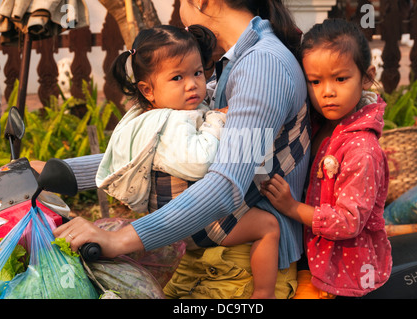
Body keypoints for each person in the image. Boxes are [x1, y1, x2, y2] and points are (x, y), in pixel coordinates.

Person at [53, 0, 310, 299]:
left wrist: (120, 240)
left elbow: (227, 183)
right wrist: (60, 172)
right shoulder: (233, 62)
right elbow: (159, 151)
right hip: (204, 260)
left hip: (240, 272)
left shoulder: (263, 67)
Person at [96, 24, 281, 299]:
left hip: (180, 223)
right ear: (148, 90)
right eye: (177, 78)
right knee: (269, 226)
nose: (192, 84)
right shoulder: (174, 119)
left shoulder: (145, 118)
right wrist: (217, 119)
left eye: (196, 72)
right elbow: (199, 161)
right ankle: (264, 294)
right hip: (196, 224)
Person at [260, 18, 392, 297]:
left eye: (340, 79)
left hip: (340, 275)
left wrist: (291, 207)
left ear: (367, 77)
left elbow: (348, 221)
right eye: (315, 81)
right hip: (314, 261)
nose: (327, 91)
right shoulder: (319, 125)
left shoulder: (361, 149)